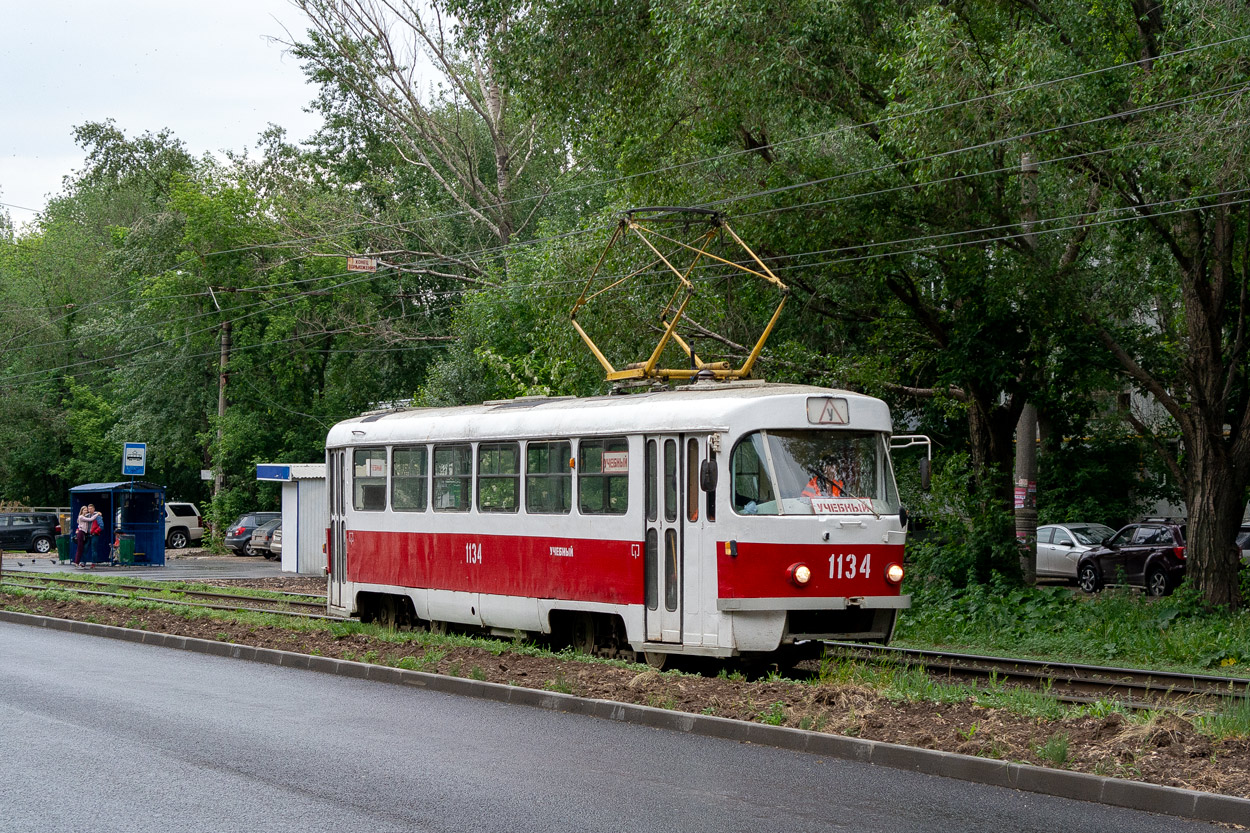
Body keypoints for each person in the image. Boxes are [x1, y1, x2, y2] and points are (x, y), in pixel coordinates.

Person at [79, 503, 103, 568]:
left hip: (94, 535)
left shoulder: (98, 516)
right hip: (87, 534)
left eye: (91, 509)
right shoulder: (87, 516)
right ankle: (83, 562)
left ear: (94, 509)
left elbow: (101, 526)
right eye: (88, 509)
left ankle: (93, 563)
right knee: (85, 548)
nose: (89, 510)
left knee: (93, 549)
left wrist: (95, 532)